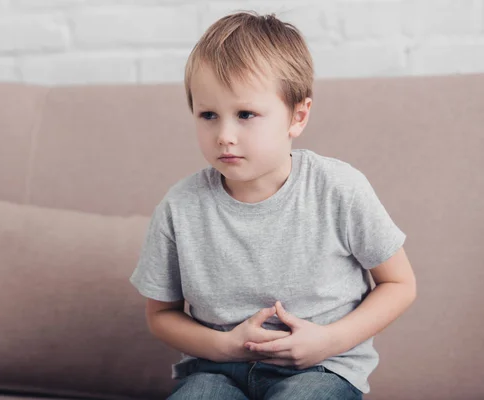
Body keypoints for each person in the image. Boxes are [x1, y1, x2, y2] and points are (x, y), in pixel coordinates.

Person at [130, 11, 416, 400]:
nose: (224, 136)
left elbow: (399, 284)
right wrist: (228, 346)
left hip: (322, 369)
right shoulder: (179, 207)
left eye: (246, 114)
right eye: (208, 115)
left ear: (297, 116)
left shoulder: (338, 188)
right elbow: (161, 315)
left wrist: (328, 341)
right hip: (216, 371)